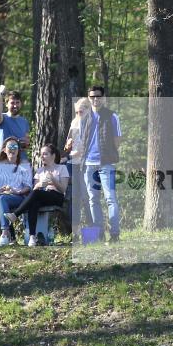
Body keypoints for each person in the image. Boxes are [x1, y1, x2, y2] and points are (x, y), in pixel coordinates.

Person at [5, 144, 69, 247]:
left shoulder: (61, 168)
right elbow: (35, 189)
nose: (42, 156)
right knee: (34, 204)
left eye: (45, 154)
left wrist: (52, 179)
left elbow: (63, 189)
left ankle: (15, 214)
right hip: (43, 195)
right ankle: (32, 237)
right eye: (41, 154)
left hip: (57, 196)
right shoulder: (40, 171)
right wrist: (40, 184)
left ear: (53, 155)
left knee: (36, 196)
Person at [83, 87, 122, 242]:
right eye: (92, 97)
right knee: (93, 199)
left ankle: (115, 234)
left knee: (110, 198)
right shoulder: (85, 116)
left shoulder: (112, 116)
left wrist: (107, 155)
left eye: (98, 96)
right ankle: (99, 234)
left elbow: (117, 140)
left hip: (106, 164)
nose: (95, 99)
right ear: (89, 97)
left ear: (104, 97)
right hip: (88, 164)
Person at [0, 137, 32, 246]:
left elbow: (28, 186)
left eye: (15, 147)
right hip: (2, 195)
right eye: (10, 147)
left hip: (19, 197)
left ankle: (5, 234)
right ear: (4, 150)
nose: (12, 149)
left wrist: (15, 191)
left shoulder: (24, 165)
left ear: (19, 150)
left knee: (2, 198)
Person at [63, 97, 92, 227]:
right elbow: (67, 146)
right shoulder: (74, 122)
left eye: (80, 112)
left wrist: (77, 152)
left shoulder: (92, 123)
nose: (78, 115)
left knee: (86, 197)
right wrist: (68, 146)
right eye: (76, 112)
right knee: (74, 198)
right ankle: (74, 231)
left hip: (86, 164)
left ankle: (92, 229)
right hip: (73, 163)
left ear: (88, 110)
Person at [0, 85, 30, 152]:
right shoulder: (3, 118)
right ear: (6, 104)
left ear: (21, 104)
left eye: (17, 102)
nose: (15, 105)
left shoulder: (24, 121)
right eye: (12, 103)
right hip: (4, 159)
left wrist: (25, 143)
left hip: (21, 160)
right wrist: (1, 93)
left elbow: (27, 143)